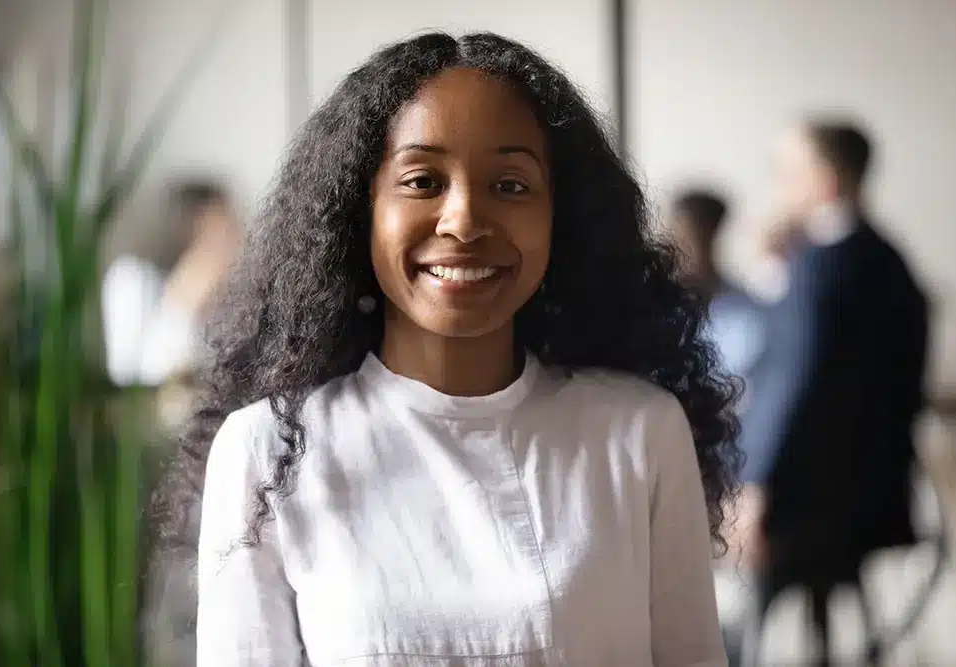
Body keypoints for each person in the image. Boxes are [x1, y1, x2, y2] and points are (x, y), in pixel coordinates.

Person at [161, 32, 741, 666]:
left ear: (561, 218)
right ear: (360, 211)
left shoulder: (639, 432)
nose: (463, 220)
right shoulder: (266, 452)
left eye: (511, 185)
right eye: (422, 180)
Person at [738, 120, 929, 666]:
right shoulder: (888, 260)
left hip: (805, 502)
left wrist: (755, 484)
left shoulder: (819, 267)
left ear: (822, 181)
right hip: (868, 499)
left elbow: (789, 383)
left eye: (785, 172)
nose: (777, 186)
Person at [102, 181, 241, 388]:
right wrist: (184, 303)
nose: (230, 240)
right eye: (218, 230)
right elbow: (131, 375)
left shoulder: (231, 292)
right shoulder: (132, 277)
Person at [671, 189, 766, 384]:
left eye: (694, 240)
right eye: (679, 239)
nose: (686, 251)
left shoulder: (745, 312)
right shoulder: (659, 307)